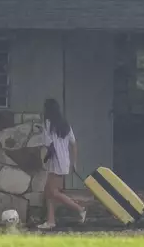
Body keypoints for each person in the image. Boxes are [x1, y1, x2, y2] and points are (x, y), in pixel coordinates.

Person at [37, 98, 87, 230]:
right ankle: (51, 221)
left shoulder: (48, 123)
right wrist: (74, 162)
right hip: (64, 161)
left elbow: (47, 143)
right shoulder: (65, 124)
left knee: (53, 192)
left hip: (56, 162)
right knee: (48, 192)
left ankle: (80, 208)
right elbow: (74, 144)